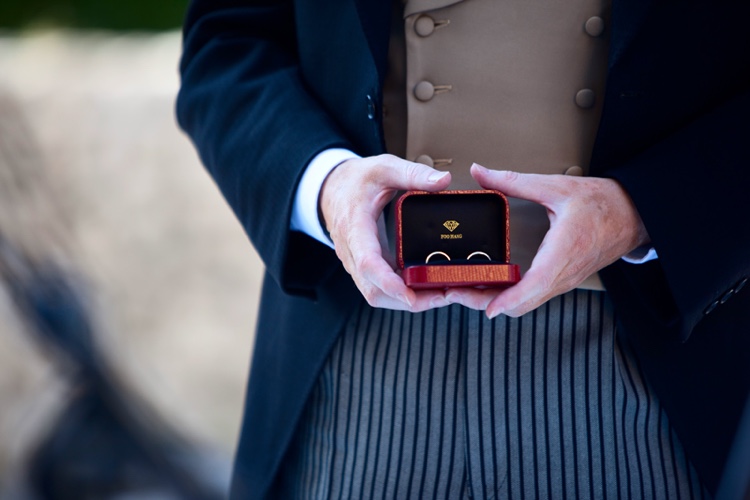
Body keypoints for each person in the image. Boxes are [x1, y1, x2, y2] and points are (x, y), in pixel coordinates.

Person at [177, 0, 750, 498]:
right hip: (359, 356)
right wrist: (325, 185)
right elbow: (228, 41)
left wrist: (641, 214)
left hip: (644, 366)